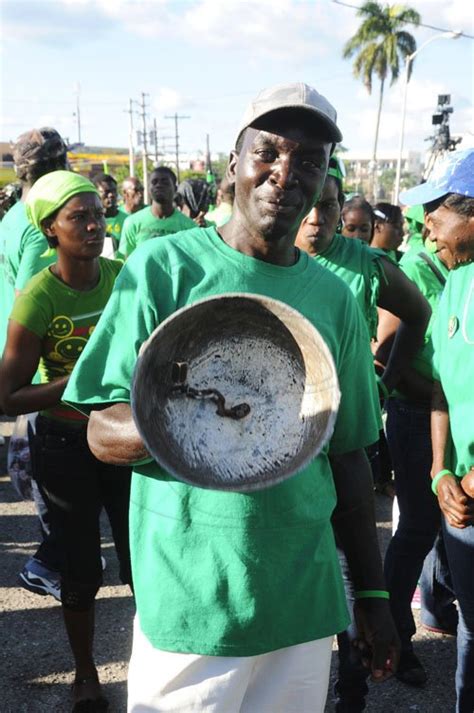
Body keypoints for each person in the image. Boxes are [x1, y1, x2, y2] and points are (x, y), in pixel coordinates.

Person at [63, 82, 399, 712]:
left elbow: (350, 456)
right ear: (234, 166)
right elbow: (100, 430)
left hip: (300, 598)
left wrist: (374, 598)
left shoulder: (332, 300)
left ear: (326, 175)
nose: (285, 173)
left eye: (308, 161)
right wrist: (185, 421)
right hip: (193, 601)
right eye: (268, 152)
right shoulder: (164, 268)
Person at [295, 159, 431, 709]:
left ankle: (352, 677)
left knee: (355, 560)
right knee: (307, 557)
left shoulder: (366, 264)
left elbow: (417, 315)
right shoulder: (265, 263)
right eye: (309, 205)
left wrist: (386, 379)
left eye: (327, 207)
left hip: (347, 440)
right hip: (286, 445)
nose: (315, 218)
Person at [0, 170, 132, 712]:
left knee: (144, 559)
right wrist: (76, 385)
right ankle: (84, 673)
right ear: (51, 229)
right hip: (64, 444)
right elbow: (8, 398)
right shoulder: (38, 297)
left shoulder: (124, 276)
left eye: (98, 214)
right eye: (79, 217)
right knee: (81, 570)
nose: (95, 225)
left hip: (126, 441)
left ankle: (155, 663)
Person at [401, 148, 474, 713]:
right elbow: (441, 389)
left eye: (436, 209)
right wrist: (440, 468)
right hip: (463, 503)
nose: (425, 224)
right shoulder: (453, 285)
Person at [377, 200, 457, 686]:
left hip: (448, 413)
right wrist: (425, 393)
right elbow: (386, 353)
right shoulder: (412, 269)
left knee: (444, 524)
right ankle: (394, 637)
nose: (430, 223)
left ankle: (436, 603)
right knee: (417, 530)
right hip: (416, 415)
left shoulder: (458, 268)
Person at [0, 127, 69, 599]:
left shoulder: (10, 217)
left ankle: (61, 550)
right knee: (50, 462)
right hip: (36, 362)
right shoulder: (35, 219)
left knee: (38, 461)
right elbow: (33, 293)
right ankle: (51, 559)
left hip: (14, 353)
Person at [116, 166, 194, 259]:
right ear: (149, 188)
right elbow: (125, 262)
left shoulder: (189, 226)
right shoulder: (132, 222)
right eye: (154, 182)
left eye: (165, 182)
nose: (159, 185)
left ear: (175, 188)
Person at [91, 173, 128, 258]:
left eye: (114, 191)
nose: (111, 195)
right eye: (106, 192)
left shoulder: (127, 220)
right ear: (95, 193)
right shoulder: (89, 223)